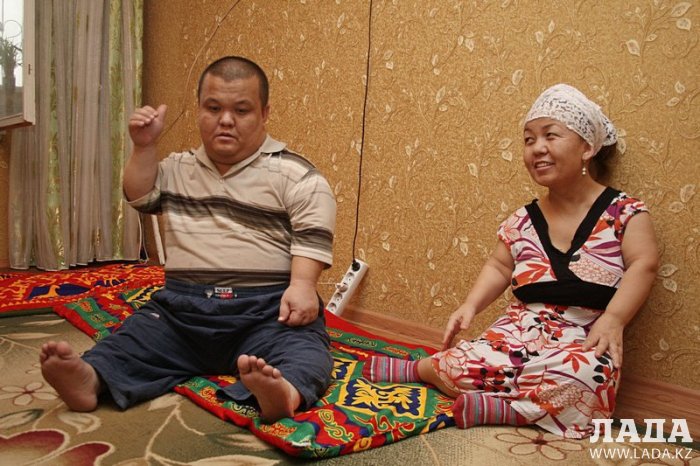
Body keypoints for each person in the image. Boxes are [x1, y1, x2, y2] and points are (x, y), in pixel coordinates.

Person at [40, 56, 337, 423]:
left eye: (241, 110)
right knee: (136, 336)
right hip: (182, 315)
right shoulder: (177, 168)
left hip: (266, 314)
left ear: (264, 113)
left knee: (307, 351)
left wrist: (303, 284)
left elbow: (313, 227)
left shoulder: (292, 173)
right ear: (198, 110)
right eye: (213, 108)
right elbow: (140, 195)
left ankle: (283, 392)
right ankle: (90, 378)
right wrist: (144, 147)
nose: (225, 120)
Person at [363, 83, 659, 439]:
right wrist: (470, 305)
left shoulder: (625, 212)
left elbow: (644, 264)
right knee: (465, 361)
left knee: (586, 376)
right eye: (529, 140)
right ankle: (423, 369)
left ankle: (509, 410)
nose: (537, 148)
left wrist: (614, 319)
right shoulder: (522, 220)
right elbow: (499, 266)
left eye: (550, 135)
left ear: (587, 148)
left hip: (585, 336)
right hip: (520, 333)